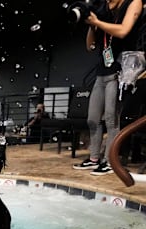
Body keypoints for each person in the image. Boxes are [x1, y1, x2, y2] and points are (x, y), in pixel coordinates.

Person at [72, 0, 143, 175]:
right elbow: (90, 46)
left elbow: (123, 31)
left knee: (112, 119)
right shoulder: (103, 9)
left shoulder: (133, 3)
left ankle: (111, 161)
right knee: (93, 119)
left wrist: (97, 22)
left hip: (120, 70)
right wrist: (91, 24)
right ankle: (94, 157)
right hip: (101, 72)